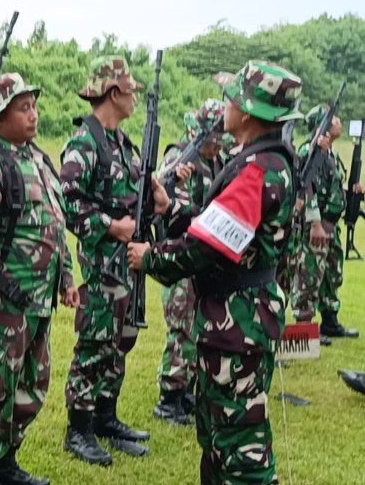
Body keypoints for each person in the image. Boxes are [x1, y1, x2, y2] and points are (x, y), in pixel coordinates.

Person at [129, 60, 303, 484]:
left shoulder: (256, 170)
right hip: (235, 321)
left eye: (231, 98)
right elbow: (220, 228)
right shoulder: (258, 162)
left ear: (245, 112)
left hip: (237, 325)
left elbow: (206, 247)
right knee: (218, 437)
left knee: (241, 448)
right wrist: (173, 209)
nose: (225, 105)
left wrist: (149, 257)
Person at [0, 73, 78, 485]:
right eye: (22, 108)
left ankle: (7, 462)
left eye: (33, 105)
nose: (33, 115)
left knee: (33, 383)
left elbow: (56, 223)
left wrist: (66, 278)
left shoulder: (40, 159)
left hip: (38, 299)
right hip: (4, 300)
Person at [59, 55, 169, 465]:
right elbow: (67, 203)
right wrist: (111, 226)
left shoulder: (123, 144)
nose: (134, 95)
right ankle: (79, 429)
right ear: (112, 93)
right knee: (94, 343)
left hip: (129, 263)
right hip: (102, 265)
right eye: (129, 89)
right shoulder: (83, 145)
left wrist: (156, 204)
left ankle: (105, 417)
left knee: (121, 340)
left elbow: (137, 200)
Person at [153, 100, 229, 426]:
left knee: (196, 327)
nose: (217, 144)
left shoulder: (218, 160)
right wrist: (176, 181)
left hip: (202, 252)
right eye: (213, 137)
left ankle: (184, 392)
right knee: (181, 327)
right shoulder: (179, 157)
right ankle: (168, 398)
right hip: (179, 250)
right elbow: (158, 191)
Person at [290, 104, 359, 343]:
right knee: (308, 275)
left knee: (331, 273)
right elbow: (305, 186)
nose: (339, 122)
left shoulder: (331, 153)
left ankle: (330, 321)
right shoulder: (309, 151)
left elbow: (330, 185)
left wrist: (351, 191)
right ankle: (305, 328)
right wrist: (315, 222)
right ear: (324, 126)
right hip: (315, 225)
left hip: (331, 224)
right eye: (335, 119)